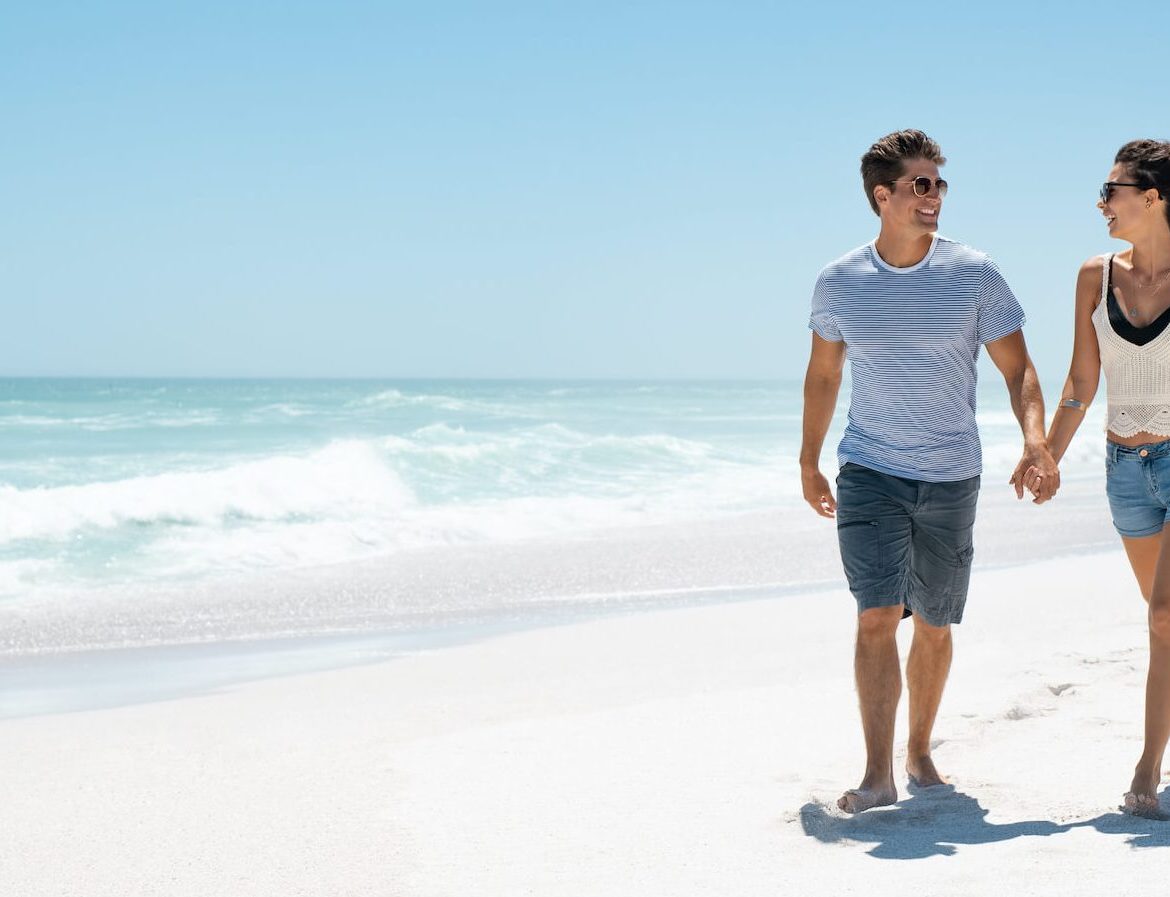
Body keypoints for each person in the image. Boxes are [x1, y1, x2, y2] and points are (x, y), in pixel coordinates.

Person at [800, 129, 1058, 814]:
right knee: (877, 614)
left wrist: (1035, 440)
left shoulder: (974, 272)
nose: (934, 195)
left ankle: (918, 749)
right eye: (921, 184)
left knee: (935, 623)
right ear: (882, 196)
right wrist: (808, 460)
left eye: (939, 183)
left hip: (950, 474)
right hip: (869, 468)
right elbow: (824, 374)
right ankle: (877, 773)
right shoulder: (839, 280)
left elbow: (1019, 369)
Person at [1038, 139, 1170, 820]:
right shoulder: (1095, 275)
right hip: (1124, 472)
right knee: (1165, 624)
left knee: (1165, 616)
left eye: (1110, 191)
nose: (1100, 204)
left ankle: (1147, 767)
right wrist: (1049, 453)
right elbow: (1081, 380)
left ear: (1152, 197)